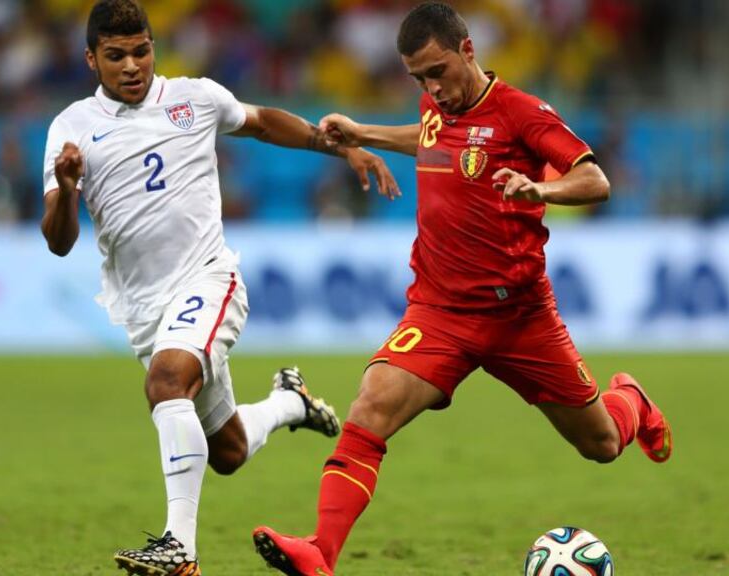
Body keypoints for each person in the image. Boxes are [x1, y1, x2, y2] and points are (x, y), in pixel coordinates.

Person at [252, 4, 673, 575]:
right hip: (440, 311)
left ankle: (634, 400)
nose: (431, 87)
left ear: (468, 51)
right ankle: (320, 553)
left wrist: (539, 192)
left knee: (599, 443)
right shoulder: (436, 104)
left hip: (521, 318)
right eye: (418, 78)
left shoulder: (522, 113)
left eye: (438, 71)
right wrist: (364, 130)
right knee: (371, 405)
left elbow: (595, 178)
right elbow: (428, 136)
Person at [40, 2, 400, 575]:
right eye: (115, 56)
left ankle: (179, 548)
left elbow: (260, 122)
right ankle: (290, 402)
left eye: (142, 50)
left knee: (166, 382)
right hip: (145, 309)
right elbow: (58, 240)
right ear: (91, 59)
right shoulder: (72, 129)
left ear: (153, 46)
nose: (132, 65)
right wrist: (65, 187)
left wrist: (340, 147)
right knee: (227, 451)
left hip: (209, 280)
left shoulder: (194, 98)